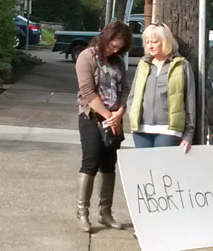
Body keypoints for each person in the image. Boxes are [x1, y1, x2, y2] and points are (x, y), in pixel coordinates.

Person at [75, 21, 132, 233]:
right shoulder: (86, 57)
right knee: (90, 162)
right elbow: (87, 92)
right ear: (105, 38)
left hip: (113, 120)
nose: (115, 50)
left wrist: (120, 112)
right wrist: (108, 115)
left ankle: (105, 213)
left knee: (109, 165)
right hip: (91, 118)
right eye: (112, 45)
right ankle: (82, 213)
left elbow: (124, 88)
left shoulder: (118, 62)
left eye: (119, 48)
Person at [127, 23, 196, 153]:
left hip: (169, 129)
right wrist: (132, 114)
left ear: (165, 42)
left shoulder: (182, 65)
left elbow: (190, 101)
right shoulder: (143, 64)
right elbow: (133, 95)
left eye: (154, 42)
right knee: (145, 170)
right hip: (141, 129)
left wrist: (188, 135)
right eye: (147, 42)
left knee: (162, 170)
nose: (150, 46)